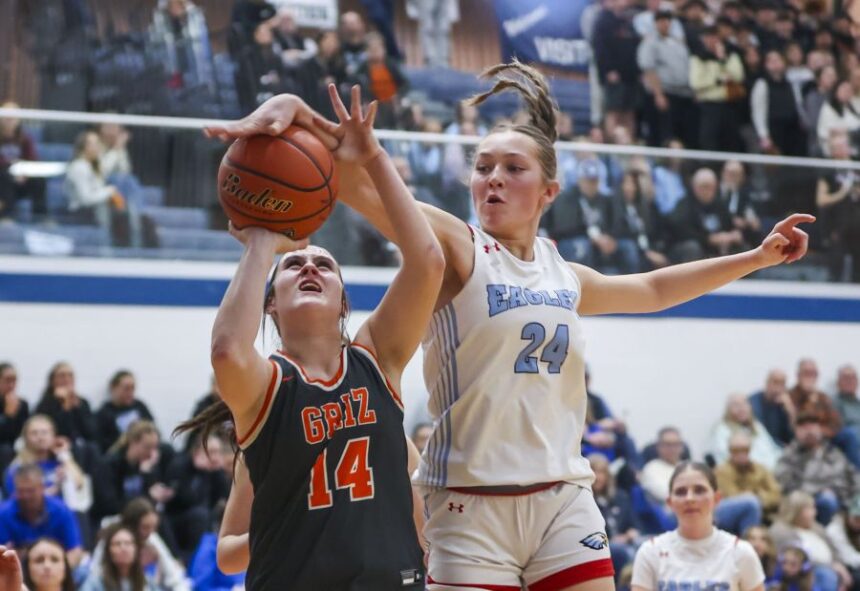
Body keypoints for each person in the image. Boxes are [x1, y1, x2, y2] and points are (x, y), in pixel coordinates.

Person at [206, 60, 814, 591]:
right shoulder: (458, 245)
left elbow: (653, 290)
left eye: (512, 167)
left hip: (562, 499)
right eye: (482, 166)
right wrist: (303, 118)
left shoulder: (562, 273)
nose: (492, 177)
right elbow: (361, 187)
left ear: (549, 190)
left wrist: (755, 258)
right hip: (471, 506)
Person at [205, 85, 442, 590]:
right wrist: (263, 241)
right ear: (270, 301)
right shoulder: (265, 389)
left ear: (343, 301)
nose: (310, 266)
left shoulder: (377, 359)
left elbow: (428, 260)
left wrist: (373, 156)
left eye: (325, 266)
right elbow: (228, 349)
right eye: (294, 267)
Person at [631, 462, 766, 591]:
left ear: (717, 498)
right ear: (670, 502)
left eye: (699, 490)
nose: (690, 498)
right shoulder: (650, 552)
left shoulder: (741, 553)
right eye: (681, 492)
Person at [774, 413, 858, 527]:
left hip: (844, 501)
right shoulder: (790, 455)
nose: (809, 430)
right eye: (803, 427)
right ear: (796, 431)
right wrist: (820, 491)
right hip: (811, 503)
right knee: (827, 501)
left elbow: (853, 477)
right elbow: (785, 484)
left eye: (812, 425)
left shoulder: (833, 452)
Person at [0, 464, 83, 569]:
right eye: (21, 491)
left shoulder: (61, 510)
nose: (26, 496)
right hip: (17, 570)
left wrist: (60, 572)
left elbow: (75, 551)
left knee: (83, 570)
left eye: (30, 491)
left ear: (42, 488)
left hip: (55, 569)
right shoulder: (3, 513)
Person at [3, 415, 91, 513]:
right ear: (25, 438)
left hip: (62, 516)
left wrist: (64, 455)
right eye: (34, 433)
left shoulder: (60, 462)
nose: (40, 437)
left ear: (54, 436)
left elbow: (79, 485)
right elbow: (22, 501)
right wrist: (57, 486)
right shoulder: (18, 467)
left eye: (45, 432)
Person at [709, 394, 783, 470]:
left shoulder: (756, 426)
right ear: (728, 410)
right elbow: (727, 459)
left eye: (744, 404)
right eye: (736, 405)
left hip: (772, 471)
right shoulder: (722, 430)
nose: (741, 408)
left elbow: (773, 449)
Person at [80, 522, 157, 591]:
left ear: (136, 549)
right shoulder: (96, 583)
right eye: (117, 544)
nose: (123, 548)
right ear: (108, 551)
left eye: (128, 543)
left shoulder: (147, 582)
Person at [35, 362, 97, 446]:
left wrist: (78, 407)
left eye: (70, 375)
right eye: (62, 376)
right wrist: (65, 406)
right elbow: (58, 431)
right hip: (55, 445)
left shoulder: (82, 402)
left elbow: (91, 432)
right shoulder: (45, 404)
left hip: (81, 445)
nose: (67, 379)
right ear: (52, 381)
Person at [95, 371, 156, 453]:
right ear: (113, 388)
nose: (130, 393)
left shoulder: (139, 405)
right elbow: (103, 444)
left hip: (146, 447)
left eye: (133, 388)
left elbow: (152, 427)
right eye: (126, 388)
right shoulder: (103, 413)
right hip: (122, 452)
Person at [749, 369, 795, 447]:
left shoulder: (786, 403)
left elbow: (793, 435)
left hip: (782, 450)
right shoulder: (754, 402)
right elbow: (761, 433)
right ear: (767, 383)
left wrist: (790, 411)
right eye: (775, 382)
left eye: (782, 384)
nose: (778, 388)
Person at [0, 362, 30, 447]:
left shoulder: (22, 404)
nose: (11, 385)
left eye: (14, 380)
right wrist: (7, 416)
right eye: (7, 380)